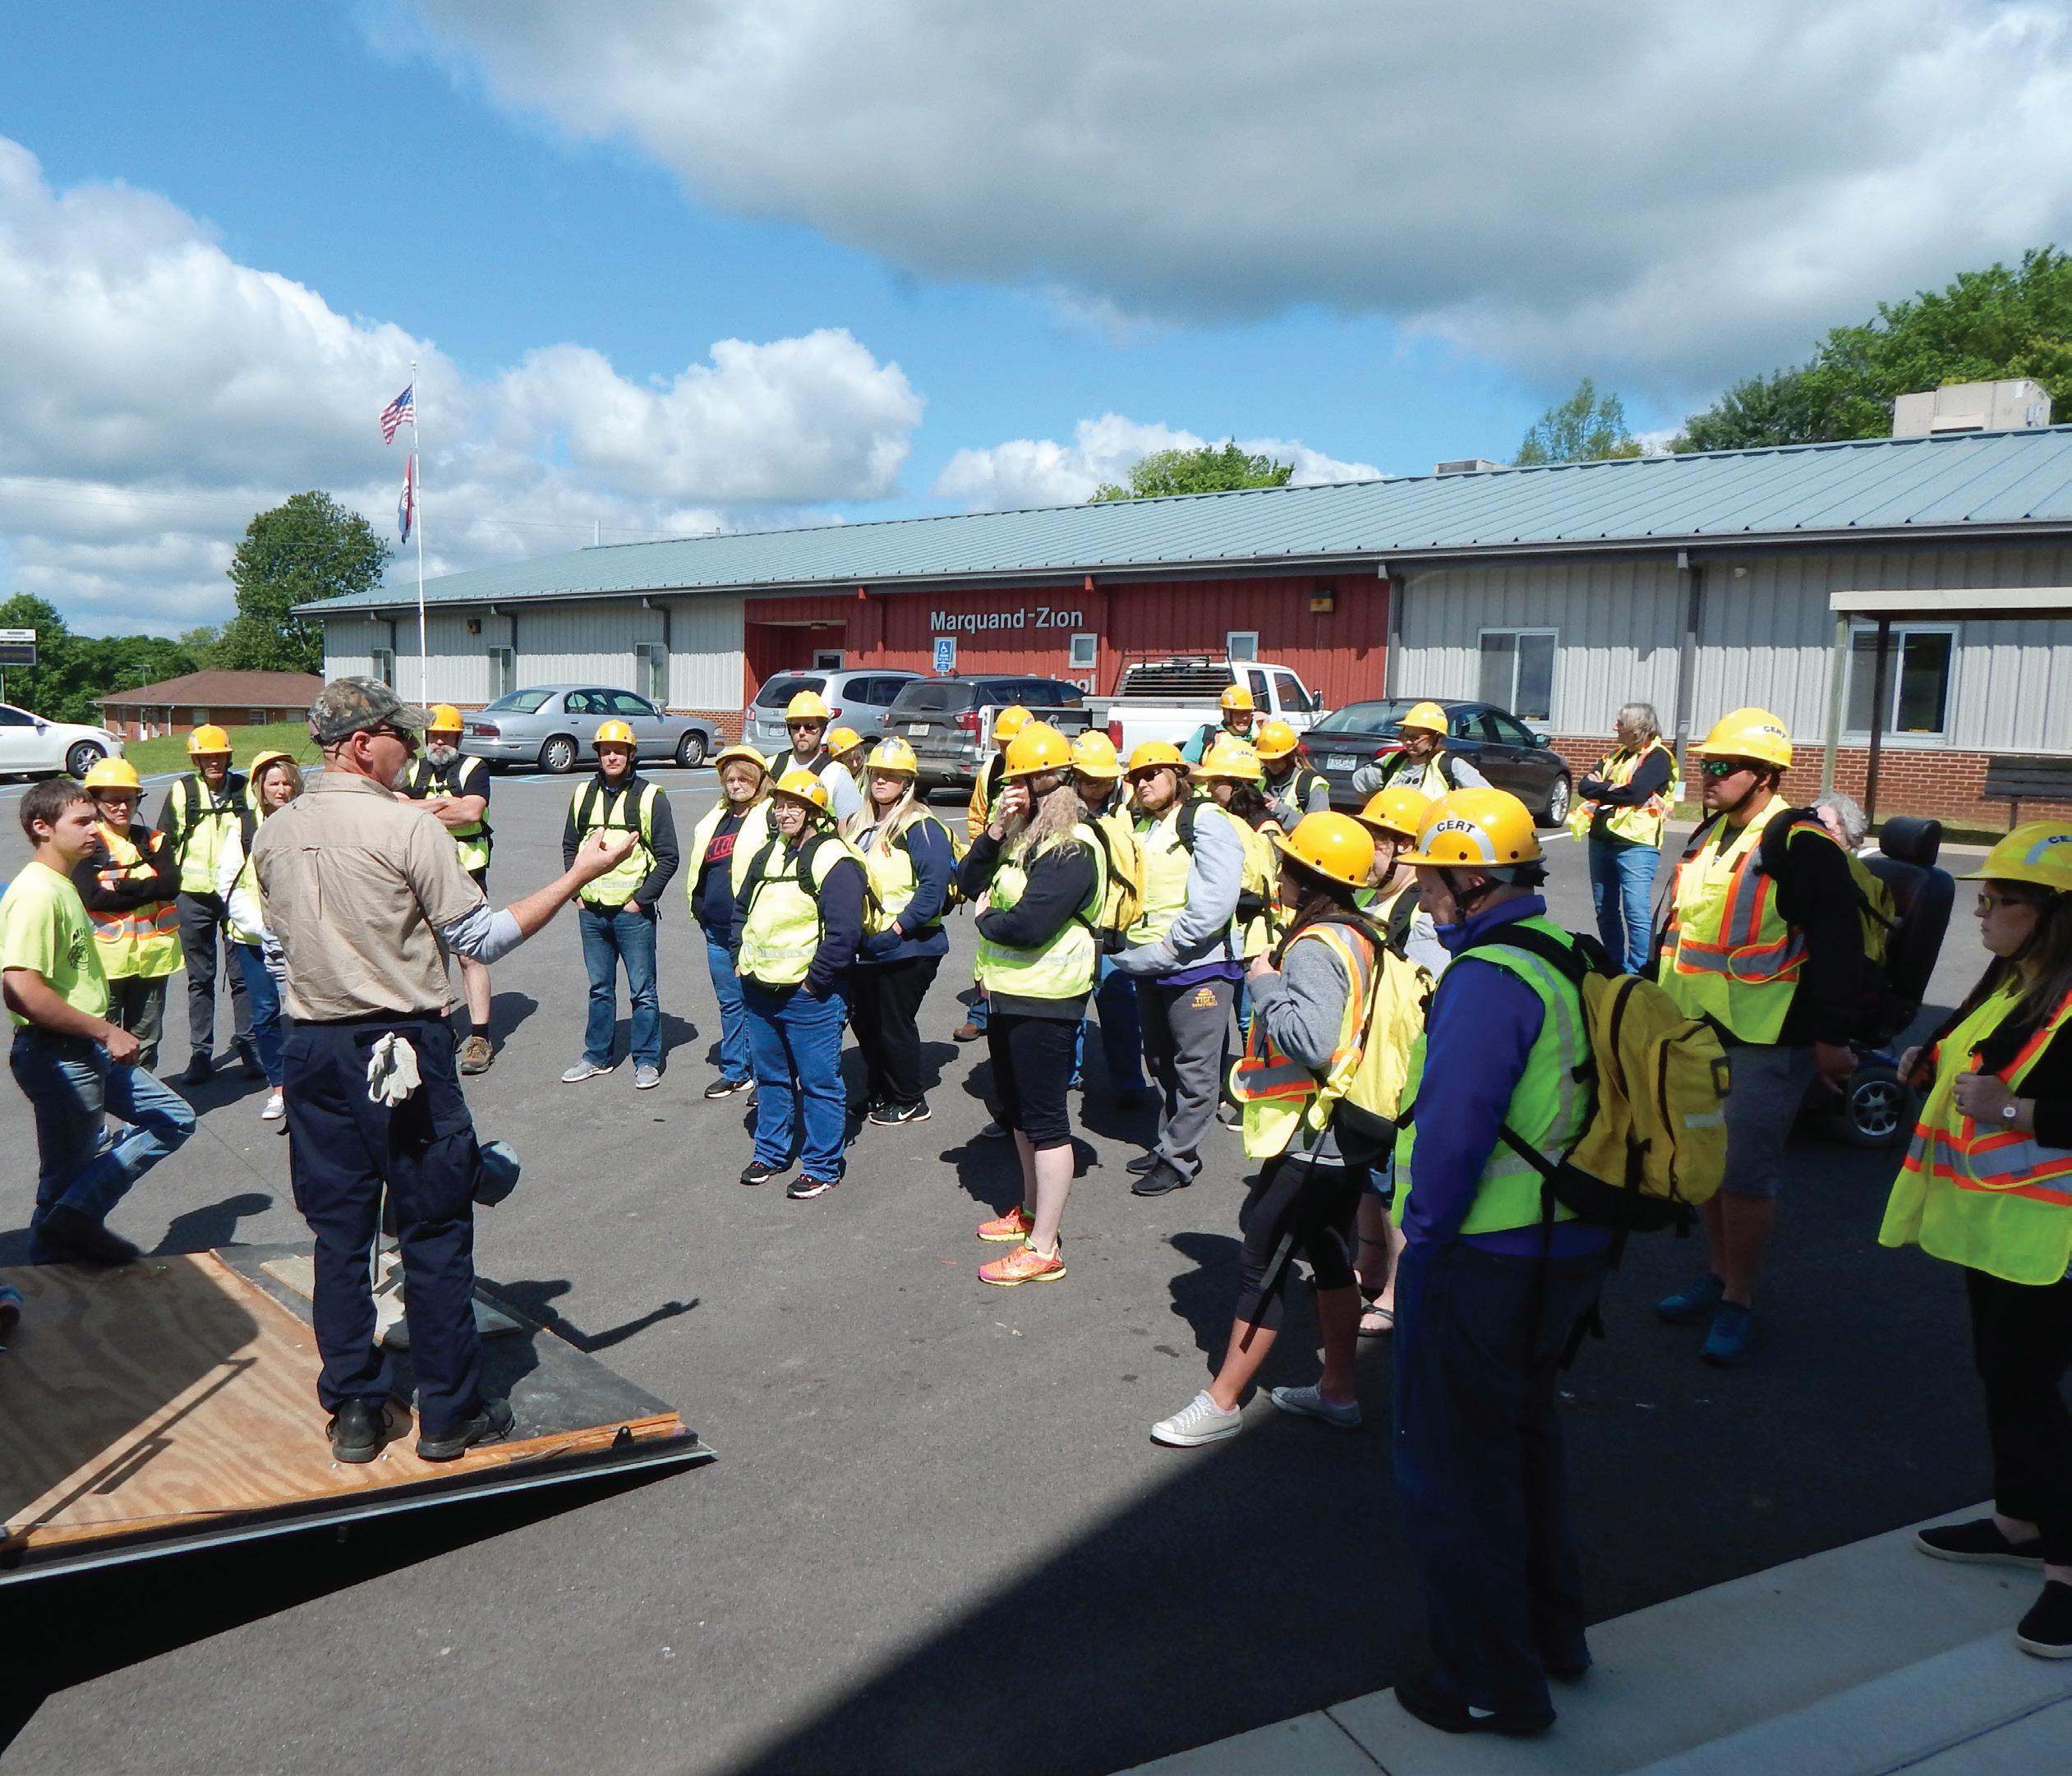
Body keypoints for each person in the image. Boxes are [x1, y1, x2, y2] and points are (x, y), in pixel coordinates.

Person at [253, 678, 637, 1464]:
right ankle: (449, 1414)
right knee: (432, 1229)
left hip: (314, 1047)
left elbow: (274, 952)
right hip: (400, 1048)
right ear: (362, 744)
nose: (413, 750)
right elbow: (481, 939)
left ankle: (355, 1409)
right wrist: (581, 875)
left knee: (340, 1237)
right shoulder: (407, 828)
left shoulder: (275, 832)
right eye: (401, 736)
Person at [1386, 787, 1610, 1738]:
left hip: (1484, 1257)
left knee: (1456, 1473)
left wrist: (1418, 1242)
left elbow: (1449, 1137)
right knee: (1523, 1448)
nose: (1422, 892)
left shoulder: (1485, 978)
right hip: (1567, 1244)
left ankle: (1489, 1682)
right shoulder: (1566, 953)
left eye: (1430, 878)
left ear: (1470, 879)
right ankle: (1553, 1639)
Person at [1153, 812, 1415, 1446]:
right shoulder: (1360, 933)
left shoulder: (1317, 946)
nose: (1278, 876)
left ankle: (1222, 1401)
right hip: (1344, 1128)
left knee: (1262, 1261)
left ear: (1307, 875)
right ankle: (1338, 1391)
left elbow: (1311, 1041)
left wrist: (1267, 984)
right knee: (1327, 1254)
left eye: (1287, 865)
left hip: (1315, 1136)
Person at [1882, 821, 2072, 1659]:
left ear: (2051, 915)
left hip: (2051, 1238)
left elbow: (2013, 1099)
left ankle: (2067, 1569)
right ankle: (2018, 1520)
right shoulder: (2016, 978)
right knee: (2003, 1377)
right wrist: (1927, 1061)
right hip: (1997, 1223)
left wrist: (2012, 1109)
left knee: (2029, 1392)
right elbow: (1978, 1057)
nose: (1979, 913)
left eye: (1997, 901)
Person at [1655, 707, 1862, 1365]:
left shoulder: (1800, 843)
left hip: (1767, 1036)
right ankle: (1718, 1275)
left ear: (1766, 776)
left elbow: (1839, 944)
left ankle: (1738, 1299)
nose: (1708, 775)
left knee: (1745, 1174)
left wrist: (1831, 1037)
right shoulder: (1714, 831)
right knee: (1709, 1167)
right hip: (1699, 1027)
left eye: (1724, 766)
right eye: (1705, 764)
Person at [3, 778, 195, 1266]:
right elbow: (21, 989)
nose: (95, 829)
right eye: (82, 821)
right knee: (63, 1178)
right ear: (42, 828)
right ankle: (51, 1272)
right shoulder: (36, 894)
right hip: (59, 1053)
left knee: (173, 1117)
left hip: (85, 1048)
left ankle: (76, 1219)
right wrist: (105, 1030)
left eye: (94, 820)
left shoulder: (63, 885)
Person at [959, 722, 1107, 1285]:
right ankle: (1027, 1212)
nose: (1017, 790)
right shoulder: (1024, 836)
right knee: (1020, 1113)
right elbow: (967, 878)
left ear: (1058, 781)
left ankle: (1045, 1246)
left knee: (1046, 1121)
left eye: (1028, 780)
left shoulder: (1074, 844)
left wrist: (986, 920)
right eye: (1013, 780)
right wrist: (995, 829)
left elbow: (1030, 924)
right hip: (1009, 994)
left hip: (1048, 998)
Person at [1110, 740, 1245, 1197]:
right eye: (1136, 777)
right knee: (1159, 1060)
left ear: (1177, 776)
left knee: (1195, 1068)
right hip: (1150, 963)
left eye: (1152, 774)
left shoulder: (1205, 819)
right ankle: (1170, 1141)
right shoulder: (1144, 825)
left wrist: (1173, 945)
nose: (1143, 783)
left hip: (1198, 965)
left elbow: (1217, 898)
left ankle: (1178, 1157)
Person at [735, 770, 866, 1199]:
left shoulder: (835, 859)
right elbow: (742, 909)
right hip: (760, 989)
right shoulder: (768, 853)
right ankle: (770, 1153)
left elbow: (845, 933)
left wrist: (815, 983)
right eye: (780, 805)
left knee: (819, 1083)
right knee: (770, 1078)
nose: (784, 813)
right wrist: (740, 959)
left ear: (815, 812)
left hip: (809, 996)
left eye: (795, 806)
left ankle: (822, 1167)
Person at [1349, 783, 1448, 1336]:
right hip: (1368, 1064)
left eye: (1379, 840)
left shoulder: (1421, 914)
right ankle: (1369, 1265)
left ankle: (1395, 1290)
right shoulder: (1376, 900)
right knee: (1368, 1175)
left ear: (1405, 847)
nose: (1368, 851)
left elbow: (1424, 999)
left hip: (1400, 1071)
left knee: (1395, 1185)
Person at [559, 717, 679, 1090]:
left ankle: (646, 1060)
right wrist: (576, 893)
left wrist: (639, 901)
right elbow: (570, 846)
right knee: (600, 988)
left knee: (642, 991)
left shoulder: (650, 796)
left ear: (631, 754)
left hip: (632, 915)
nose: (612, 757)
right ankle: (596, 1056)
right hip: (591, 912)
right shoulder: (583, 794)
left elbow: (669, 857)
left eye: (619, 751)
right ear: (598, 754)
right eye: (606, 751)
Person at [846, 738, 955, 1127]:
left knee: (893, 1024)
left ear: (907, 782)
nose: (881, 781)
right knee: (866, 1022)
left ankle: (909, 1098)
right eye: (877, 773)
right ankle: (880, 1089)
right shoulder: (860, 824)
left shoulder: (921, 826)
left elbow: (933, 889)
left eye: (892, 775)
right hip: (867, 945)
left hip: (910, 945)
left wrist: (896, 929)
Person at [155, 723, 257, 1085]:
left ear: (228, 758)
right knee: (200, 979)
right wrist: (165, 890)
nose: (214, 762)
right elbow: (163, 843)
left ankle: (249, 1045)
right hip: (192, 896)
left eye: (219, 756)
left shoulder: (244, 790)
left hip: (234, 896)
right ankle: (201, 1053)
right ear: (197, 761)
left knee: (242, 976)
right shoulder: (183, 791)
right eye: (206, 757)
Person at [399, 704, 498, 1074]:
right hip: (420, 872)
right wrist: (442, 804)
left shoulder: (475, 768)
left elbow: (471, 813)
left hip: (466, 875)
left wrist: (419, 808)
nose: (439, 742)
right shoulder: (411, 768)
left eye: (446, 736)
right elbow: (394, 807)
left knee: (469, 955)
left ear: (458, 738)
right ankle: (441, 1030)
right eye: (434, 736)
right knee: (428, 956)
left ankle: (480, 1037)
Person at [71, 757, 182, 1073]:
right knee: (103, 1042)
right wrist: (149, 889)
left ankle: (140, 1101)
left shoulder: (153, 840)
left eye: (130, 800)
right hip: (106, 964)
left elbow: (172, 885)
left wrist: (127, 887)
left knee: (145, 1041)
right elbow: (94, 898)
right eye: (113, 800)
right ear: (95, 801)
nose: (122, 807)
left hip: (153, 960)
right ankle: (104, 1103)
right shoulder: (88, 844)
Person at [217, 750, 302, 1124]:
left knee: (306, 1012)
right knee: (266, 1014)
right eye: (273, 784)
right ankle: (279, 1088)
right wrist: (261, 928)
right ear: (259, 787)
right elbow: (228, 886)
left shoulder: (305, 823)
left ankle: (308, 1083)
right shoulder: (242, 828)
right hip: (254, 940)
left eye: (287, 783)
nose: (281, 790)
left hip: (301, 939)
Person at [1067, 729, 1152, 1106]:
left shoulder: (1132, 807)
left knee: (1121, 1013)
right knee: (1068, 1010)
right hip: (1071, 928)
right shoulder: (1059, 810)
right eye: (1088, 780)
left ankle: (1129, 1082)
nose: (1096, 788)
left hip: (1116, 929)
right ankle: (1066, 1074)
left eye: (1102, 780)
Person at [1191, 737, 1285, 1064]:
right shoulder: (1225, 821)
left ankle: (1259, 1080)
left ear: (1236, 785)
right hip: (1229, 937)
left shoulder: (1265, 828)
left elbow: (1265, 888)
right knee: (1217, 1022)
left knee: (1249, 1021)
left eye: (1216, 781)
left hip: (1254, 941)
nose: (1209, 788)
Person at [687, 743, 772, 1099]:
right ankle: (736, 1070)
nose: (735, 785)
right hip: (716, 927)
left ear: (758, 781)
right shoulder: (718, 816)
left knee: (760, 1005)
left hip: (752, 929)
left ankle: (766, 1077)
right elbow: (703, 864)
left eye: (743, 779)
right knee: (730, 1002)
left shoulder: (770, 815)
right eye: (730, 779)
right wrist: (699, 904)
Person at [1571, 702, 1678, 974]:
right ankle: (1614, 966)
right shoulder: (1614, 755)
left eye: (1620, 723)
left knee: (1636, 911)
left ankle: (1638, 971)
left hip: (1636, 845)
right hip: (1601, 839)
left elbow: (1635, 793)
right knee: (1604, 908)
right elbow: (1584, 786)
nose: (1614, 728)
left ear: (1637, 727)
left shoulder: (1658, 758)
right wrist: (1611, 787)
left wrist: (1602, 787)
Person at [955, 705, 1033, 1043]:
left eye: (1010, 743)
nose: (1005, 749)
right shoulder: (992, 769)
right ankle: (979, 1013)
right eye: (1001, 743)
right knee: (987, 943)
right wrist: (983, 853)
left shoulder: (1040, 770)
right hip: (996, 864)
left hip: (1030, 866)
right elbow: (977, 815)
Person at [1351, 702, 1489, 799]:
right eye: (1406, 736)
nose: (1408, 742)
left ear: (1436, 738)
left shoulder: (1451, 766)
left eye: (1415, 738)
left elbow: (1487, 797)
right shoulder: (1392, 761)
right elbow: (1360, 781)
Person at [1254, 720, 1334, 830]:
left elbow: (1317, 828)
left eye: (1276, 762)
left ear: (1290, 756)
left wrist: (1280, 810)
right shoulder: (1260, 780)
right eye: (1266, 761)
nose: (1270, 766)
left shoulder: (1312, 786)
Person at [1181, 683, 1258, 764]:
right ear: (1225, 713)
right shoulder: (1208, 734)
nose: (1244, 718)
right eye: (1238, 713)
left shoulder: (1259, 736)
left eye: (1247, 712)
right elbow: (1186, 763)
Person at [819, 725, 869, 825]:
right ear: (838, 759)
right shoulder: (830, 777)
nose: (855, 764)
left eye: (859, 759)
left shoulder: (869, 775)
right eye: (850, 760)